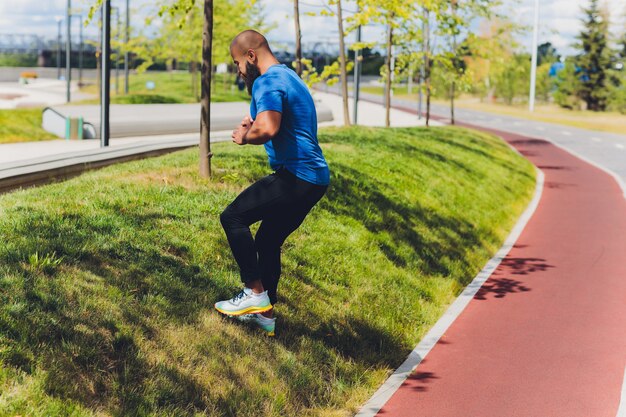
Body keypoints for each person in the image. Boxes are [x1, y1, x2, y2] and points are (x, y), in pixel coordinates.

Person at [214, 30, 330, 337]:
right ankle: (265, 317)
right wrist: (254, 122)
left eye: (237, 63)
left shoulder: (266, 80)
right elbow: (275, 119)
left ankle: (254, 293)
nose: (238, 71)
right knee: (266, 242)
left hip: (297, 176)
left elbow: (268, 128)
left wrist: (245, 137)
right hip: (315, 179)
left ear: (251, 56)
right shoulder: (287, 76)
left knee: (233, 217)